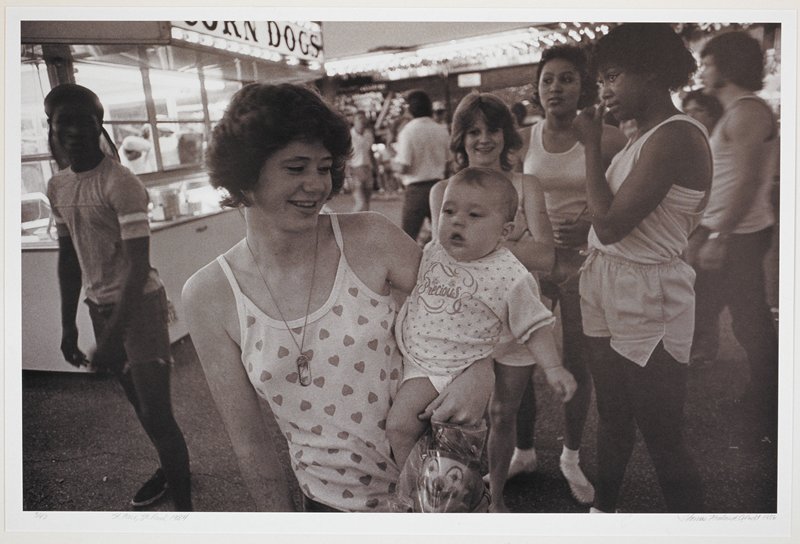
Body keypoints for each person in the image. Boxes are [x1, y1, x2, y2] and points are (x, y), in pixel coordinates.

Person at [182, 83, 493, 512]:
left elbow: (465, 303)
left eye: (324, 167)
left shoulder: (371, 237)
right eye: (296, 168)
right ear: (245, 173)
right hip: (330, 508)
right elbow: (250, 444)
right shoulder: (209, 296)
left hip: (439, 486)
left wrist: (481, 368)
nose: (316, 186)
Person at [573, 23, 711, 513]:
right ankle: (603, 513)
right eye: (601, 80)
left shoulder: (674, 137)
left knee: (662, 436)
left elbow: (609, 225)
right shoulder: (644, 137)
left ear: (651, 71)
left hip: (650, 295)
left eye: (612, 76)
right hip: (609, 283)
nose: (604, 91)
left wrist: (590, 145)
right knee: (611, 416)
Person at [44, 83, 192, 511]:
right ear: (51, 127)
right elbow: (69, 258)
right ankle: (171, 469)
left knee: (158, 413)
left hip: (138, 307)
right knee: (142, 409)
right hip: (99, 308)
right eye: (63, 122)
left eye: (84, 121)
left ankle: (187, 514)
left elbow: (138, 266)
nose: (74, 131)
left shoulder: (120, 183)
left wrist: (112, 335)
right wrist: (69, 324)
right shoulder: (58, 187)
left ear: (99, 124)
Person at [386, 167, 576, 473]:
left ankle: (417, 488)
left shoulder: (508, 273)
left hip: (443, 368)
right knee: (424, 435)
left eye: (475, 215)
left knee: (400, 427)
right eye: (449, 211)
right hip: (409, 356)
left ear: (504, 232)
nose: (457, 220)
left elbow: (535, 324)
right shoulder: (435, 251)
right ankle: (440, 480)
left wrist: (553, 367)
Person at [428, 92, 565, 512]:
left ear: (507, 136)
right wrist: (509, 240)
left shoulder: (527, 186)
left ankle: (497, 498)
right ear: (460, 139)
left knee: (504, 412)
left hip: (519, 315)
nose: (483, 139)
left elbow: (546, 256)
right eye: (473, 131)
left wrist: (477, 243)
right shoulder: (441, 190)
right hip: (464, 320)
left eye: (492, 130)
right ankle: (453, 495)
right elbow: (445, 254)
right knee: (460, 414)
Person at [505, 45, 628, 505]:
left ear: (584, 86)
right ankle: (523, 449)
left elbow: (624, 203)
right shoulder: (522, 141)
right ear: (537, 89)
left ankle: (571, 456)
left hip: (582, 264)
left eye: (567, 79)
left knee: (579, 361)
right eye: (548, 79)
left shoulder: (610, 139)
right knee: (517, 358)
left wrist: (593, 221)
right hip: (534, 264)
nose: (556, 87)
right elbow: (507, 201)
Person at [688, 31, 779, 444]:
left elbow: (748, 181)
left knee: (750, 324)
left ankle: (769, 412)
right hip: (725, 230)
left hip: (738, 233)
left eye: (708, 63)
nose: (703, 70)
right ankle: (763, 404)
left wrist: (719, 235)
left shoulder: (747, 112)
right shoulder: (733, 111)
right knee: (740, 320)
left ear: (727, 65)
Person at [393, 89, 451, 243]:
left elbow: (404, 166)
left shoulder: (408, 131)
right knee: (441, 237)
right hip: (439, 187)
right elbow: (450, 162)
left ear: (410, 109)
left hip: (416, 190)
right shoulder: (441, 130)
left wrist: (392, 164)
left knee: (407, 238)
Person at [347, 110, 375, 211]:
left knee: (367, 203)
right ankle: (349, 224)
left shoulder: (368, 134)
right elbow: (345, 156)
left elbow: (370, 152)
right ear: (354, 121)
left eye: (363, 118)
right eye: (359, 118)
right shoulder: (349, 136)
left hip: (367, 169)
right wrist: (347, 175)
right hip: (355, 170)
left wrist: (374, 168)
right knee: (360, 202)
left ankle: (364, 225)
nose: (362, 121)